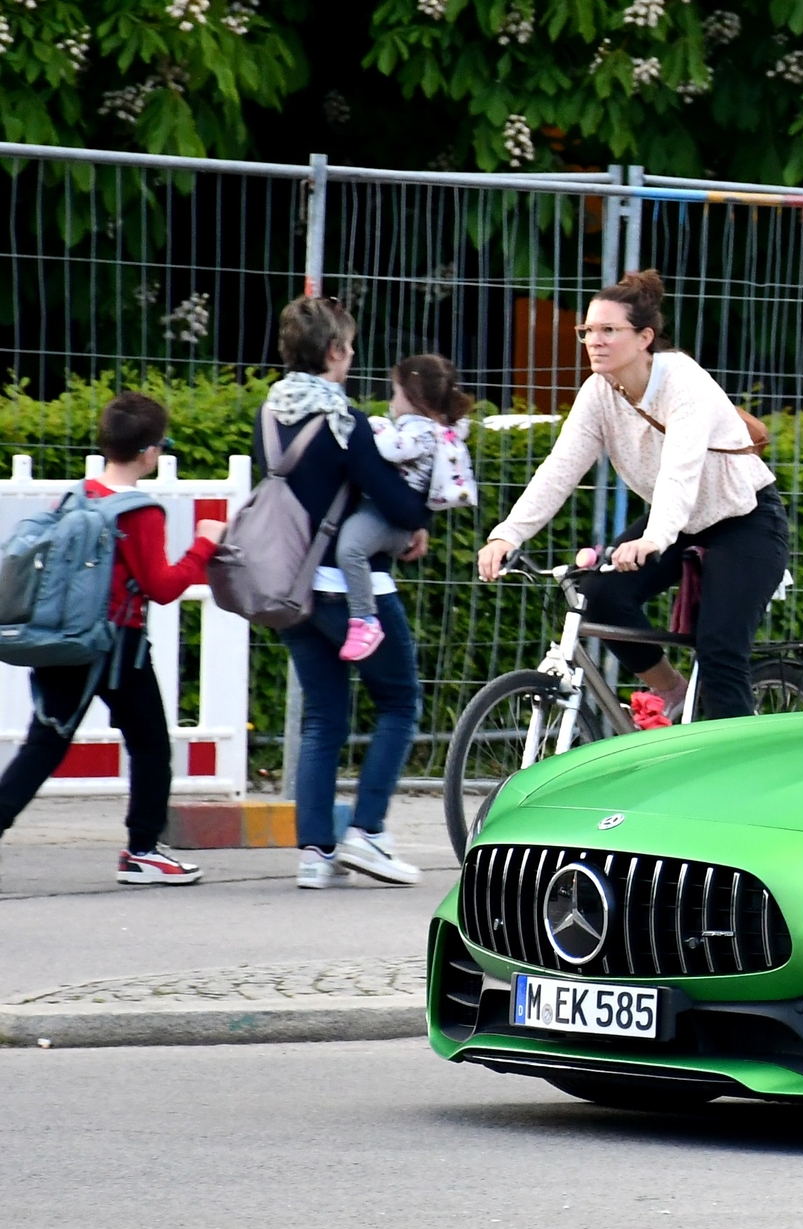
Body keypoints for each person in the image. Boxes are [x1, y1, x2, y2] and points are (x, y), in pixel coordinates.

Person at [478, 269, 789, 724]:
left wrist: (654, 537)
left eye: (609, 330)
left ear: (645, 338)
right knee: (601, 595)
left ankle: (744, 778)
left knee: (719, 650)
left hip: (744, 519)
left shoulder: (684, 382)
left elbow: (681, 471)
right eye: (588, 331)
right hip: (680, 521)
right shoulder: (598, 392)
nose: (594, 341)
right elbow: (560, 469)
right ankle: (676, 693)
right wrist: (507, 535)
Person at [0, 393, 227, 885]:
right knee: (150, 746)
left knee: (44, 745)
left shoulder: (77, 495)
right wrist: (205, 543)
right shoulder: (139, 512)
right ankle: (142, 851)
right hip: (118, 647)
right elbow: (162, 587)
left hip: (62, 639)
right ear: (150, 452)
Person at [263, 295, 434, 889]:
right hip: (350, 587)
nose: (353, 355)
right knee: (398, 701)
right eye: (350, 345)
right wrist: (416, 524)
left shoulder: (273, 413)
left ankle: (316, 854)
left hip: (291, 590)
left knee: (322, 718)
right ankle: (368, 833)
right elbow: (398, 501)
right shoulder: (343, 420)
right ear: (334, 351)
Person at [337, 354, 478, 661]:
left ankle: (364, 619)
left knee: (350, 549)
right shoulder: (427, 428)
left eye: (395, 392)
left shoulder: (421, 431)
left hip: (387, 519)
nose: (391, 400)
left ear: (412, 396)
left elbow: (392, 448)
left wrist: (372, 425)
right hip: (391, 517)